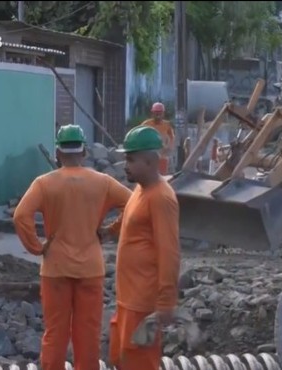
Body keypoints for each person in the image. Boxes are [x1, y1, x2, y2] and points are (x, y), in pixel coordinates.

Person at [13, 124, 132, 370]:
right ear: (84, 152)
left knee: (55, 333)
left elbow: (21, 216)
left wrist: (37, 247)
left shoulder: (44, 183)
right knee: (87, 335)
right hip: (90, 269)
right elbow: (134, 205)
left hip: (55, 269)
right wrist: (110, 231)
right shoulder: (103, 182)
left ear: (58, 153)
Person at [106, 126, 181, 370]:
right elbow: (129, 218)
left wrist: (166, 301)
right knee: (122, 359)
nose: (125, 164)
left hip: (143, 302)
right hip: (127, 298)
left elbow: (169, 252)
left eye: (130, 159)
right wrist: (107, 231)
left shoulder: (161, 198)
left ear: (149, 162)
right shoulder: (140, 190)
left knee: (140, 362)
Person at [139, 102, 176, 175]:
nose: (158, 115)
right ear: (152, 114)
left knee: (162, 175)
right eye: (156, 113)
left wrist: (170, 146)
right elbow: (138, 135)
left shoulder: (167, 125)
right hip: (149, 154)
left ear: (163, 114)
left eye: (160, 113)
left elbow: (172, 136)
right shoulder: (146, 124)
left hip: (162, 154)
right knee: (150, 175)